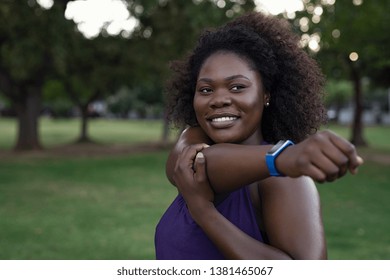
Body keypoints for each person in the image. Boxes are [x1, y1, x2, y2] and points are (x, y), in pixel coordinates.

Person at [154, 12, 363, 260]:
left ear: (266, 95)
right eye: (206, 89)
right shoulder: (193, 139)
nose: (219, 99)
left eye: (237, 87)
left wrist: (205, 213)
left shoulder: (287, 180)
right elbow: (196, 164)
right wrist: (283, 157)